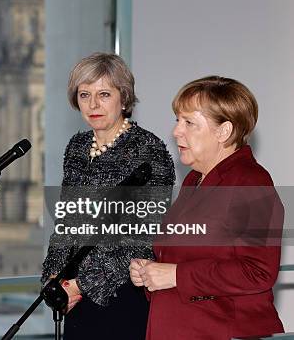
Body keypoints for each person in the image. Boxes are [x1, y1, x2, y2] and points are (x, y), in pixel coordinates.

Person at [130, 76, 284, 339]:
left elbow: (258, 271)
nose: (177, 131)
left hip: (221, 331)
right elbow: (185, 261)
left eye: (189, 122)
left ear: (224, 131)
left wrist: (177, 275)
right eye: (178, 120)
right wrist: (151, 272)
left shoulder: (251, 182)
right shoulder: (194, 180)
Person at [42, 52, 175, 339]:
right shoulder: (77, 147)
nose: (93, 105)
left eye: (104, 94)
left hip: (122, 292)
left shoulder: (149, 151)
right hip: (74, 297)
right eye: (84, 94)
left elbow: (142, 237)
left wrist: (80, 285)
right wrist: (54, 277)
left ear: (124, 99)